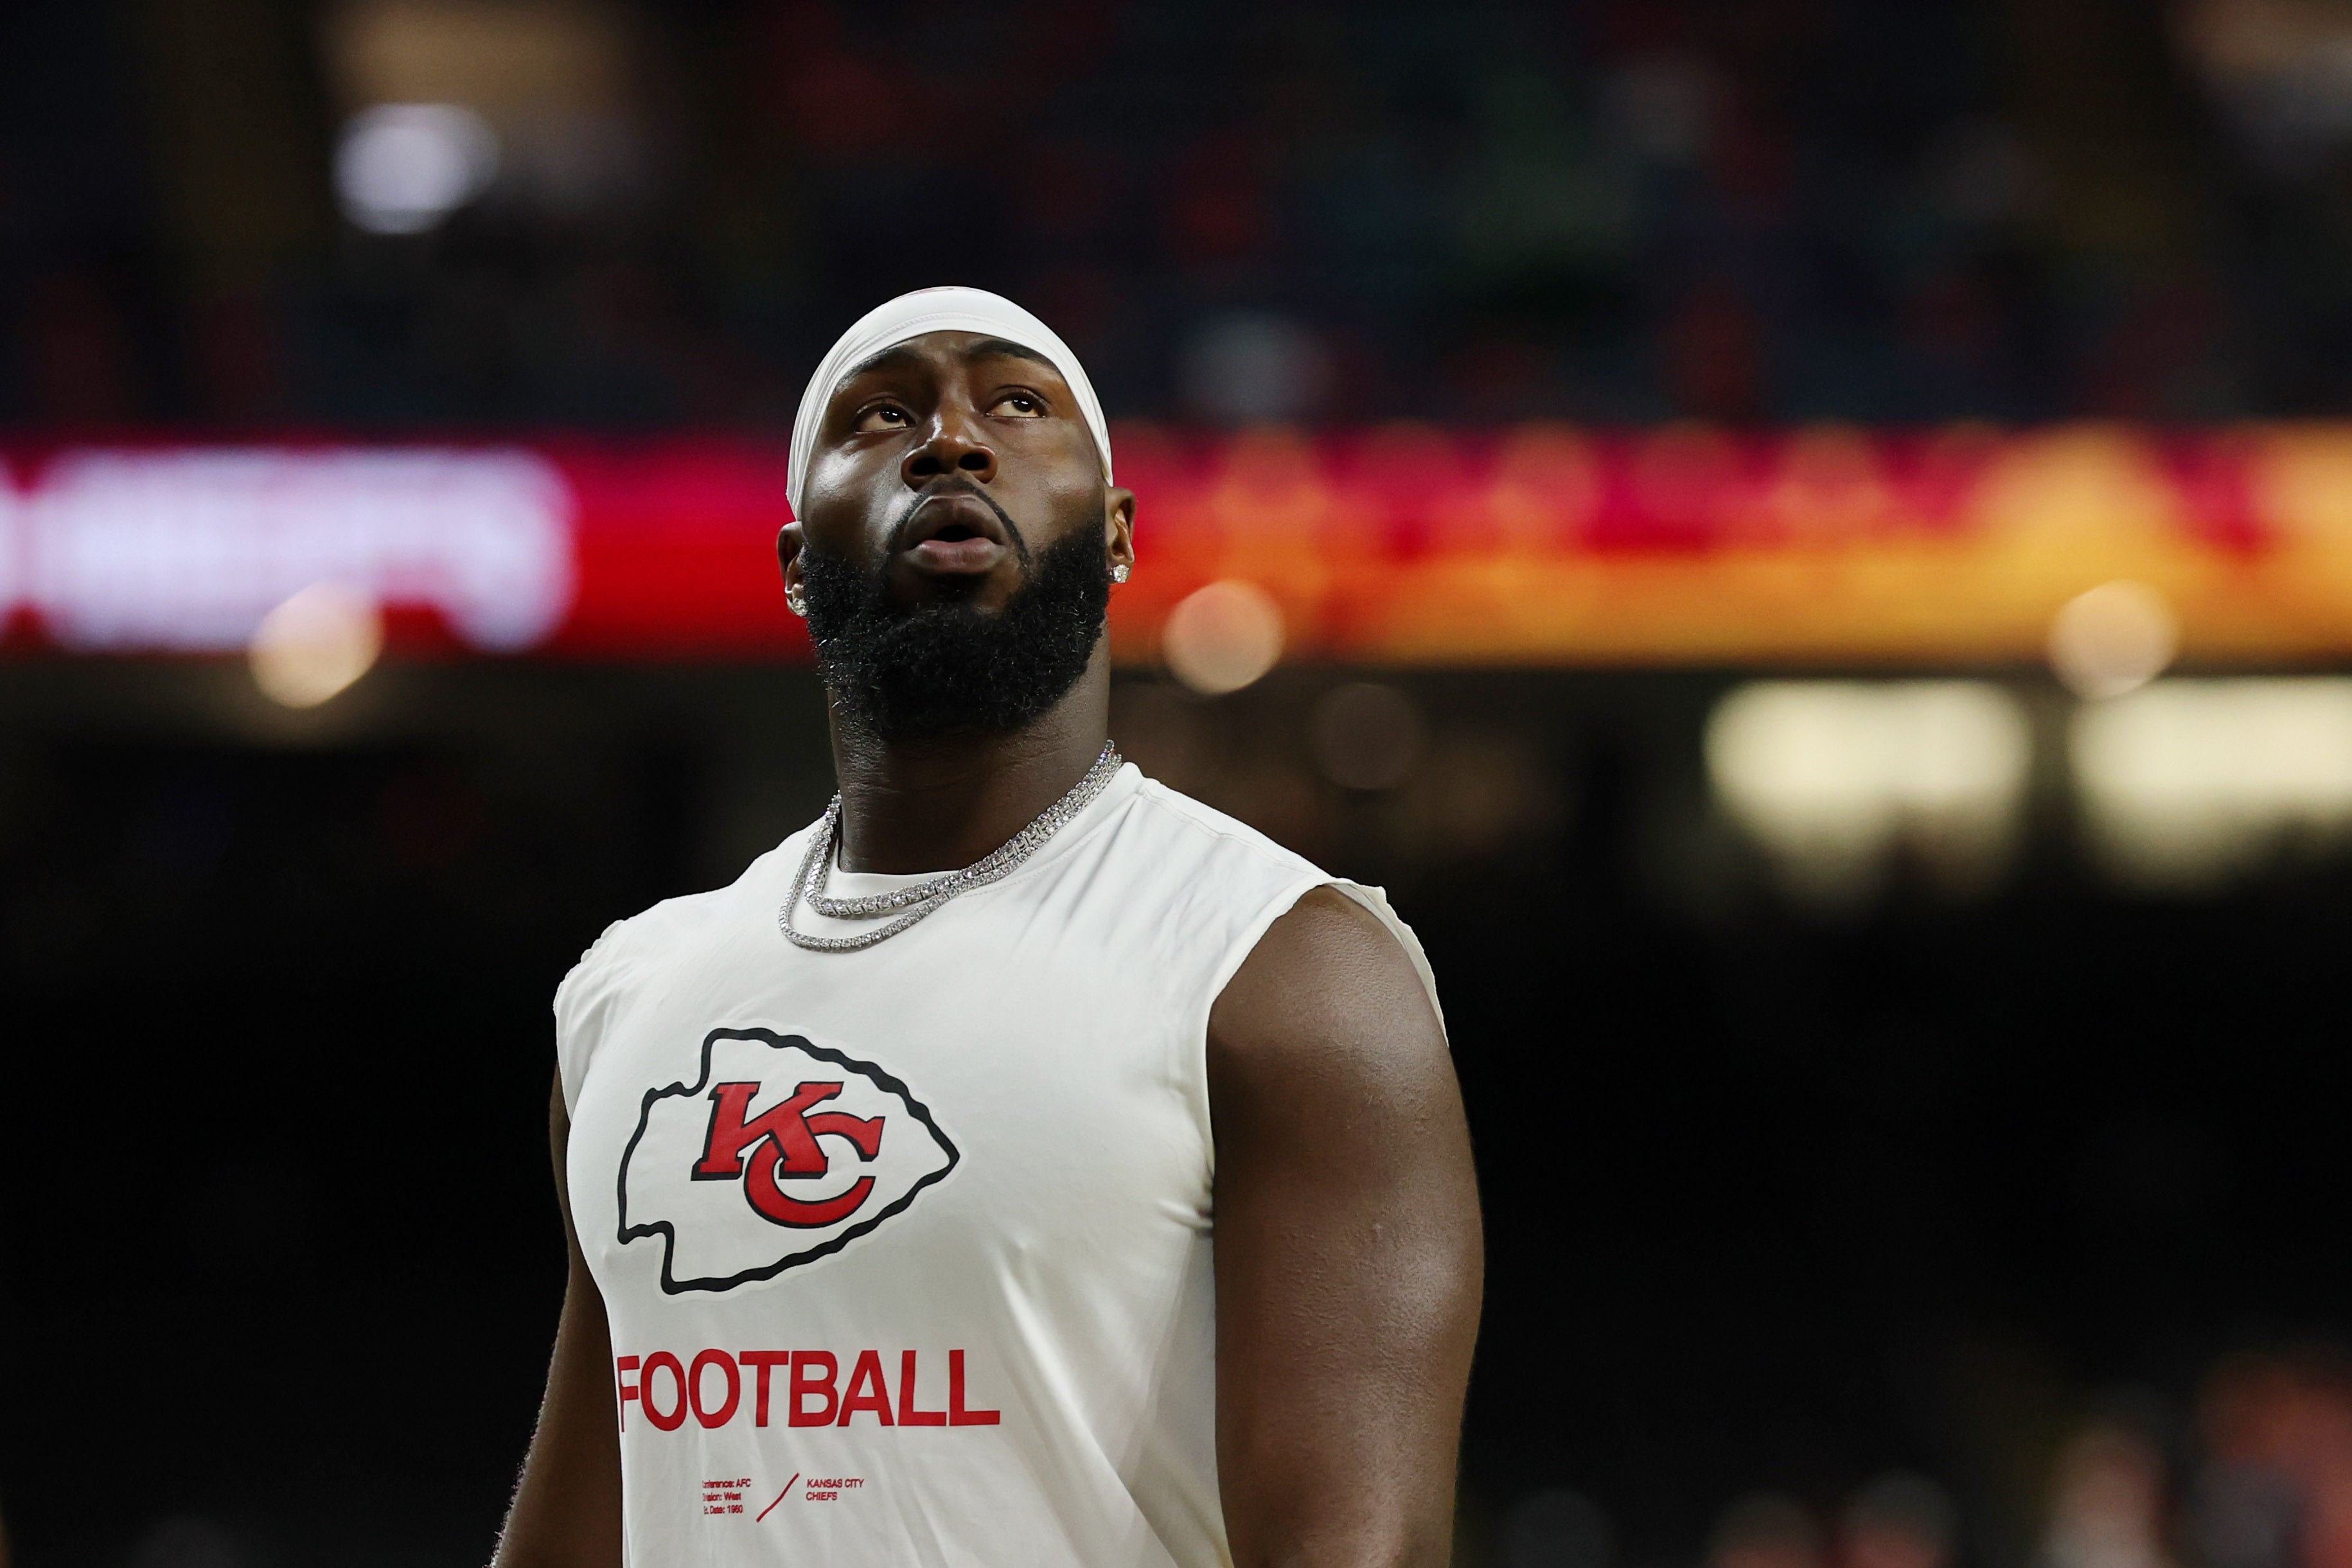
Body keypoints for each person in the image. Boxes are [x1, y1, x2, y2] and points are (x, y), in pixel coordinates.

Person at [491, 287, 1481, 1567]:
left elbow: (1362, 1553)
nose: (951, 441)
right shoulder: (630, 994)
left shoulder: (1285, 965)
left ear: (1116, 534)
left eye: (1018, 404)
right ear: (798, 563)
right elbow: (586, 1531)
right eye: (882, 416)